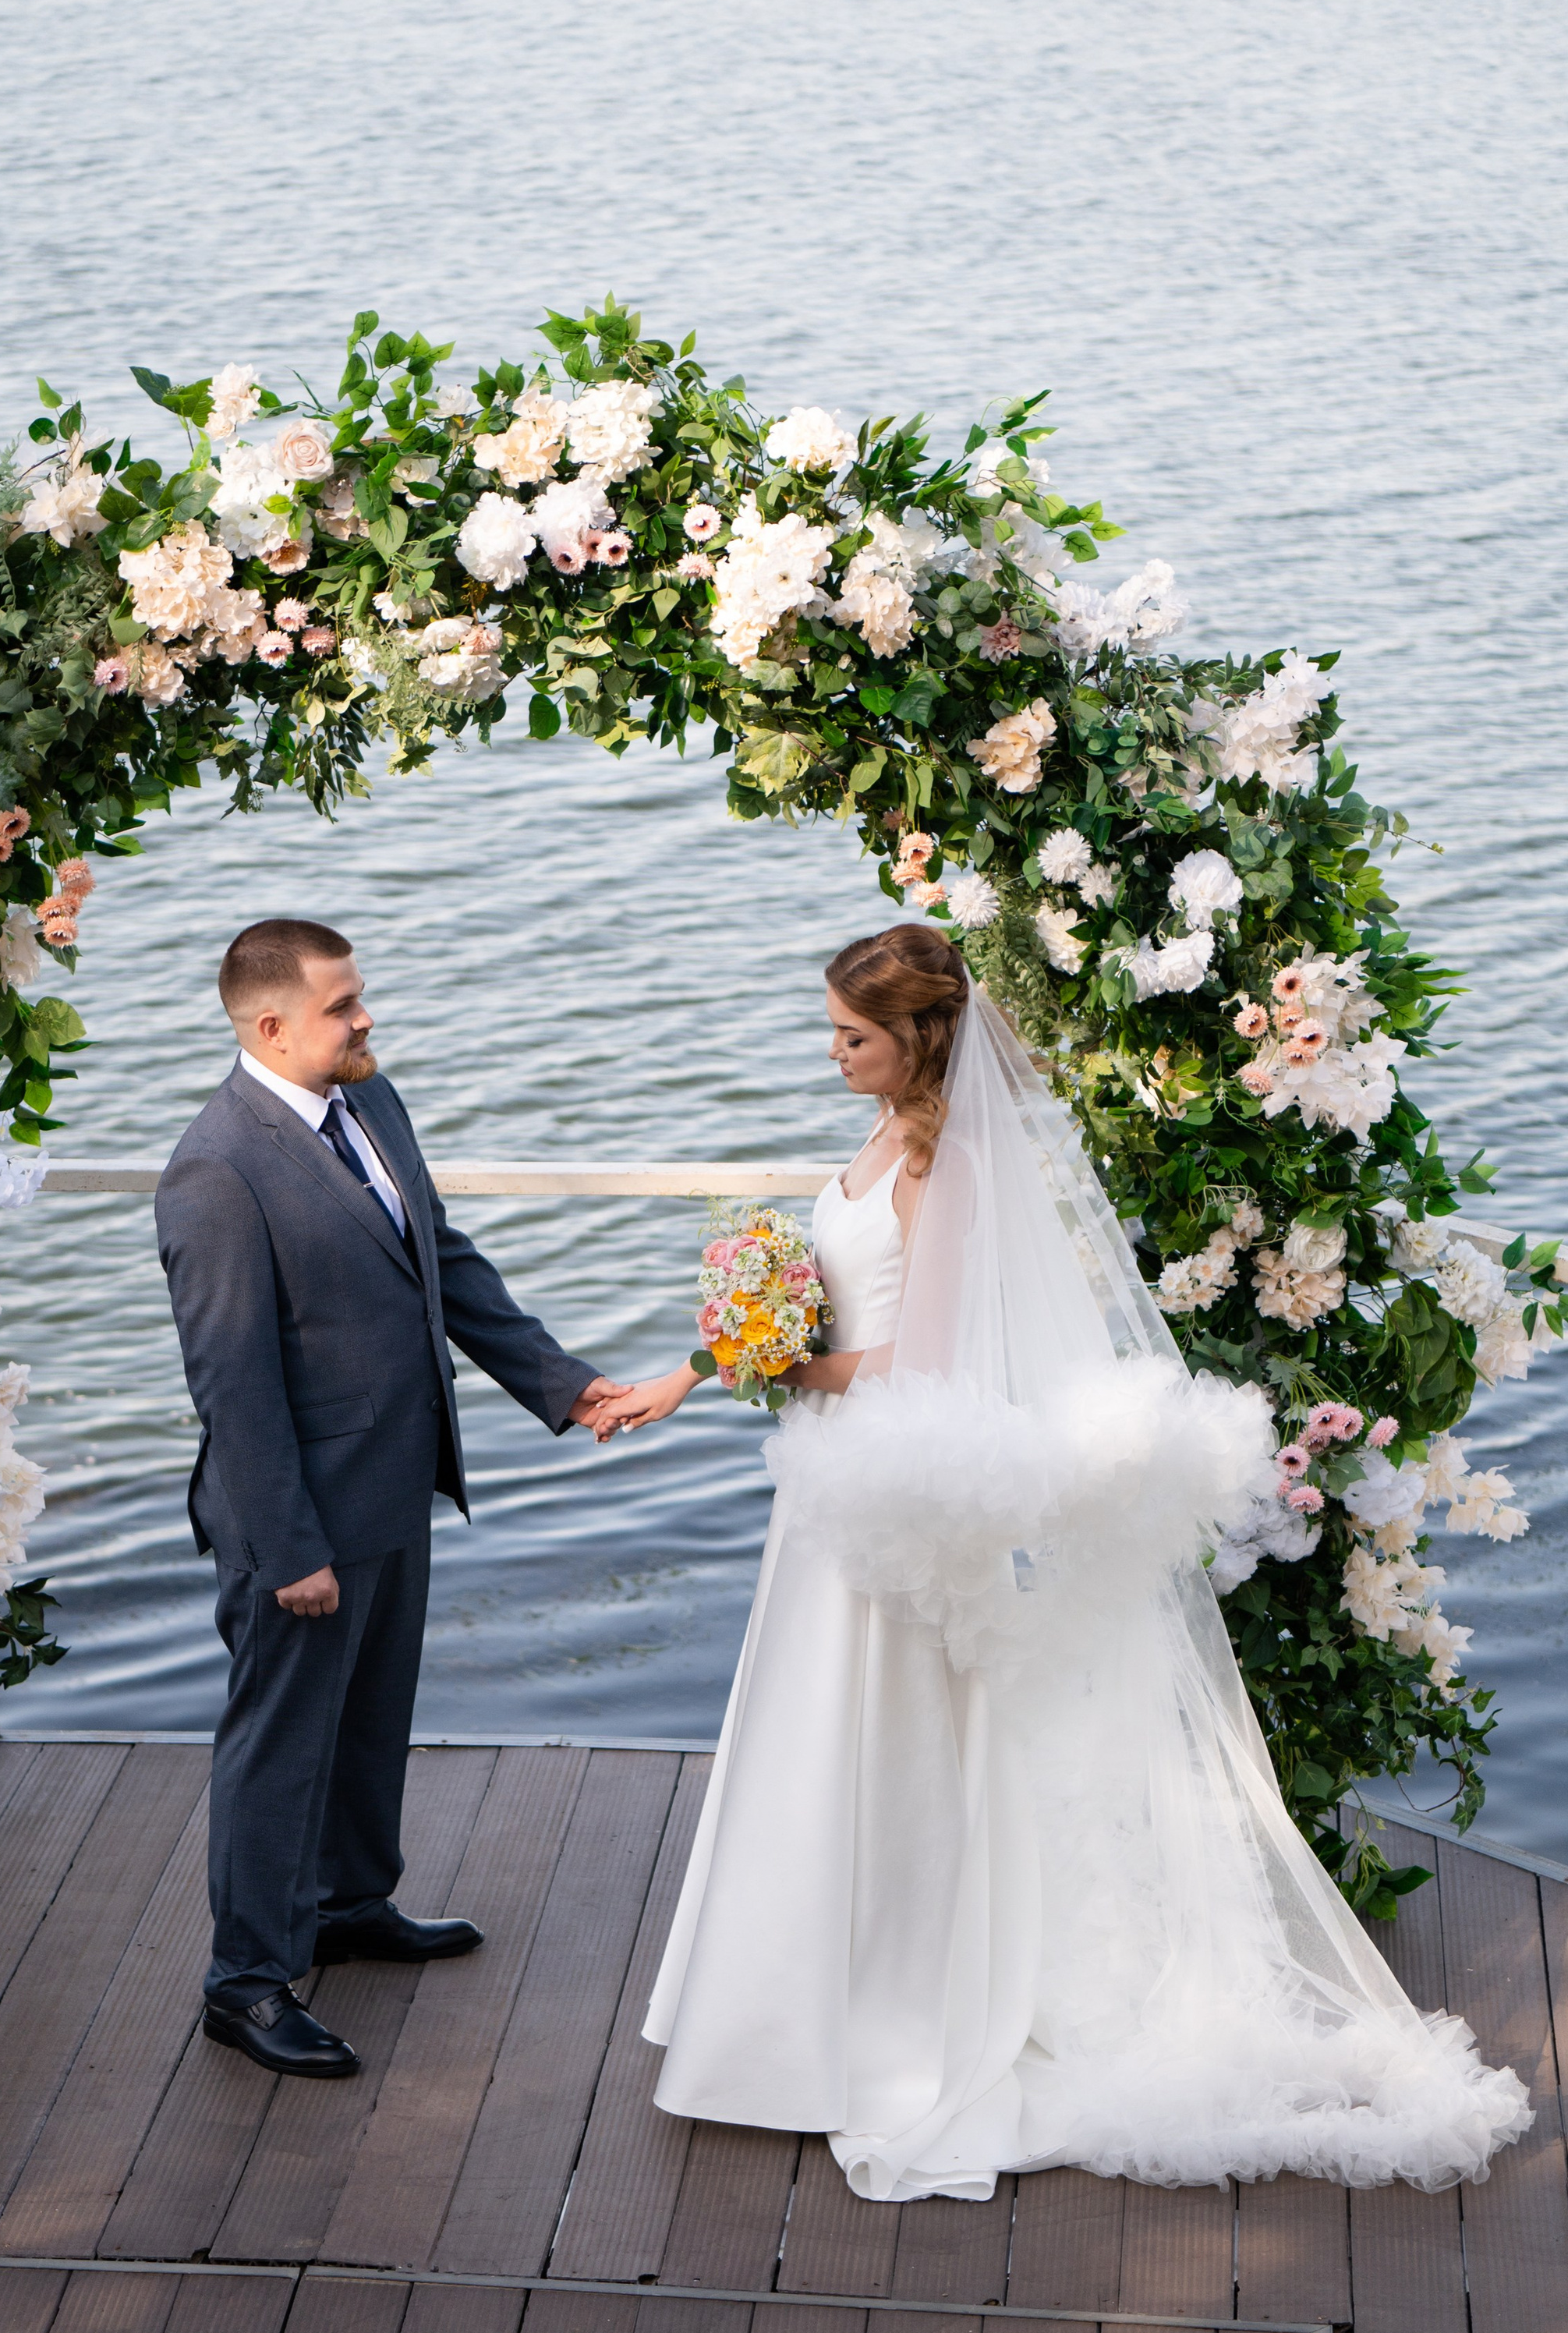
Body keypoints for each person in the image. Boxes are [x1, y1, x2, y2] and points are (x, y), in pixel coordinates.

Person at [591, 923, 1530, 2201]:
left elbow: (925, 1362)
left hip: (895, 1490)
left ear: (915, 1038)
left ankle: (893, 2014)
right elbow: (822, 1301)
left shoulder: (949, 1166)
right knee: (815, 1728)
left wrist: (784, 1368)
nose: (833, 1053)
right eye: (833, 1031)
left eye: (853, 1037)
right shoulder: (882, 1139)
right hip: (840, 1485)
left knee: (891, 1736)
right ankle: (789, 2010)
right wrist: (703, 1365)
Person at [157, 918, 619, 2080]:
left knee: (369, 1716)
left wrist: (563, 1386)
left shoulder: (370, 1099)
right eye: (343, 1006)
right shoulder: (217, 1169)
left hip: (394, 1480)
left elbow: (440, 1260)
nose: (367, 1019)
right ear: (272, 1025)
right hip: (298, 1516)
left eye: (361, 996)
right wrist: (288, 1546)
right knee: (278, 1745)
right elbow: (232, 1382)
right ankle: (246, 1982)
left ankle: (349, 1906)